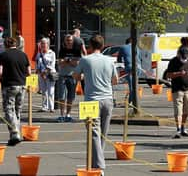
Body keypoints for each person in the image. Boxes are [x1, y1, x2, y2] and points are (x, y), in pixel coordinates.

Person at [74, 35, 118, 173]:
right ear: (103, 45)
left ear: (90, 46)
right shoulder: (110, 61)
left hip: (91, 100)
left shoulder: (85, 60)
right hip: (107, 99)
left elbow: (75, 76)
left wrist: (84, 76)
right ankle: (96, 164)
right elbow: (115, 80)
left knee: (93, 134)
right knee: (102, 134)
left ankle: (99, 166)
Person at [0, 36, 31, 146]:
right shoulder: (23, 55)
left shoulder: (4, 55)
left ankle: (14, 132)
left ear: (6, 45)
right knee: (17, 110)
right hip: (21, 85)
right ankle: (15, 135)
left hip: (9, 85)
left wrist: (0, 77)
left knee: (9, 110)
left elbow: (0, 72)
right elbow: (29, 72)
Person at [164, 46, 188, 138]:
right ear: (178, 54)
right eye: (182, 57)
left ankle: (183, 127)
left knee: (187, 111)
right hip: (177, 90)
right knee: (178, 111)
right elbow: (168, 75)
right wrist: (178, 74)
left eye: (185, 57)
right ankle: (178, 129)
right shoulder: (173, 61)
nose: (183, 59)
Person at [57, 34, 80, 122]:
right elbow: (60, 63)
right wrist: (70, 61)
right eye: (67, 40)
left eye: (70, 40)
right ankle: (62, 114)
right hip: (62, 75)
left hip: (72, 76)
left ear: (73, 41)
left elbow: (77, 63)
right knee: (62, 96)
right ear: (65, 41)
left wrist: (67, 60)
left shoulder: (76, 50)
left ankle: (68, 114)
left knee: (71, 96)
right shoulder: (62, 50)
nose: (69, 42)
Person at [36, 37, 56, 112]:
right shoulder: (39, 53)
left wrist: (45, 72)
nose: (43, 45)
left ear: (48, 44)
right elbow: (37, 63)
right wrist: (39, 72)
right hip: (41, 74)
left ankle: (51, 107)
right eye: (42, 43)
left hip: (50, 74)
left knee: (51, 91)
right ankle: (44, 106)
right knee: (44, 91)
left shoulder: (52, 53)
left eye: (44, 43)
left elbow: (52, 65)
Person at [117, 37, 135, 105]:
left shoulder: (123, 47)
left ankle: (130, 102)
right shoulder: (136, 47)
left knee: (131, 86)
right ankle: (132, 101)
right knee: (134, 85)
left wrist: (122, 65)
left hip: (129, 67)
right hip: (138, 67)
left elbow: (119, 59)